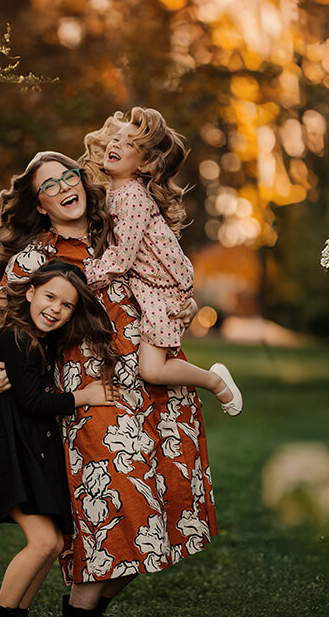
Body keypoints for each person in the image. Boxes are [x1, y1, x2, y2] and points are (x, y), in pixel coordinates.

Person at [0, 151, 217, 617]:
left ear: (82, 180)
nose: (64, 186)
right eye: (49, 184)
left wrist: (184, 306)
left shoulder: (121, 229)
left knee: (168, 509)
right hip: (94, 395)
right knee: (122, 510)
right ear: (38, 204)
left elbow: (170, 283)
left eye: (69, 175)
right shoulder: (35, 259)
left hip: (156, 386)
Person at [0, 259, 119, 617]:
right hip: (4, 449)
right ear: (31, 292)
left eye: (66, 305)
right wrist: (84, 397)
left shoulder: (39, 338)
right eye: (49, 296)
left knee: (53, 543)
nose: (55, 308)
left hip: (24, 448)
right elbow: (32, 401)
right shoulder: (18, 337)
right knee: (43, 541)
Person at [82, 107, 242, 416]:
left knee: (153, 370)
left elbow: (120, 259)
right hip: (149, 285)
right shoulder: (113, 193)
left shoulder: (133, 197)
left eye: (129, 144)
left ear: (143, 163)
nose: (116, 145)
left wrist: (82, 275)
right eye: (117, 139)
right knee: (152, 367)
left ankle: (214, 380)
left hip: (163, 290)